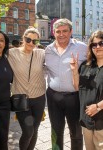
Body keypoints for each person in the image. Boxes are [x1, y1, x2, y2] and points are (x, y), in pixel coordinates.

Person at [45, 18, 87, 150]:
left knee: (76, 132)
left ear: (71, 32)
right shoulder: (47, 49)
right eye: (58, 31)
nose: (61, 34)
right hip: (53, 97)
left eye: (65, 31)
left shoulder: (82, 47)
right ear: (54, 32)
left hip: (74, 97)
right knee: (56, 131)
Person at [8, 27, 46, 150]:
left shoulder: (41, 54)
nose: (31, 43)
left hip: (39, 98)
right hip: (20, 99)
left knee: (35, 130)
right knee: (28, 131)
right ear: (23, 39)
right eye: (28, 39)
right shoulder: (12, 53)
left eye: (35, 41)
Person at [70, 30, 103, 150]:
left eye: (101, 43)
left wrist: (98, 106)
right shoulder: (85, 65)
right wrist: (74, 72)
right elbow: (76, 87)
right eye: (94, 45)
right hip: (87, 120)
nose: (98, 47)